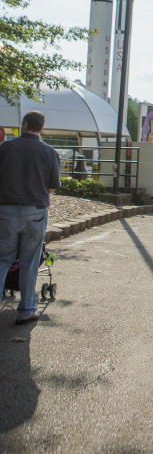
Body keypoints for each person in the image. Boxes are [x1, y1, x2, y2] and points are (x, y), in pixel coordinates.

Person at [0, 111, 61, 324]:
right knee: (30, 261)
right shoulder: (49, 152)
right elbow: (53, 186)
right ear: (41, 127)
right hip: (35, 211)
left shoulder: (5, 148)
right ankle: (26, 309)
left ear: (24, 124)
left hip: (5, 210)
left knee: (2, 259)